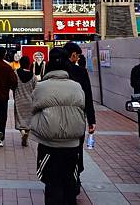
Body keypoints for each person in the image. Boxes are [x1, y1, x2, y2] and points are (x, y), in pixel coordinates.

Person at [31, 48, 86, 205]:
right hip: (72, 144)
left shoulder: (41, 87)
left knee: (52, 184)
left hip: (49, 144)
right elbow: (82, 107)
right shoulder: (76, 87)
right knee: (69, 184)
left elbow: (33, 108)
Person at [63, 42, 96, 189]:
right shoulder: (81, 72)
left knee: (59, 148)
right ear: (73, 55)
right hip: (77, 118)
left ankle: (60, 179)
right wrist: (91, 120)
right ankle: (75, 179)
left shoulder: (53, 72)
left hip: (57, 119)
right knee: (76, 149)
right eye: (77, 56)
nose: (77, 59)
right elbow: (88, 97)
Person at [14, 56, 36, 147]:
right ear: (29, 64)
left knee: (19, 119)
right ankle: (26, 133)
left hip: (19, 100)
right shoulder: (33, 75)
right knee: (29, 120)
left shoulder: (15, 73)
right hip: (30, 101)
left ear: (20, 63)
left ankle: (23, 133)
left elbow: (12, 84)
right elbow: (36, 88)